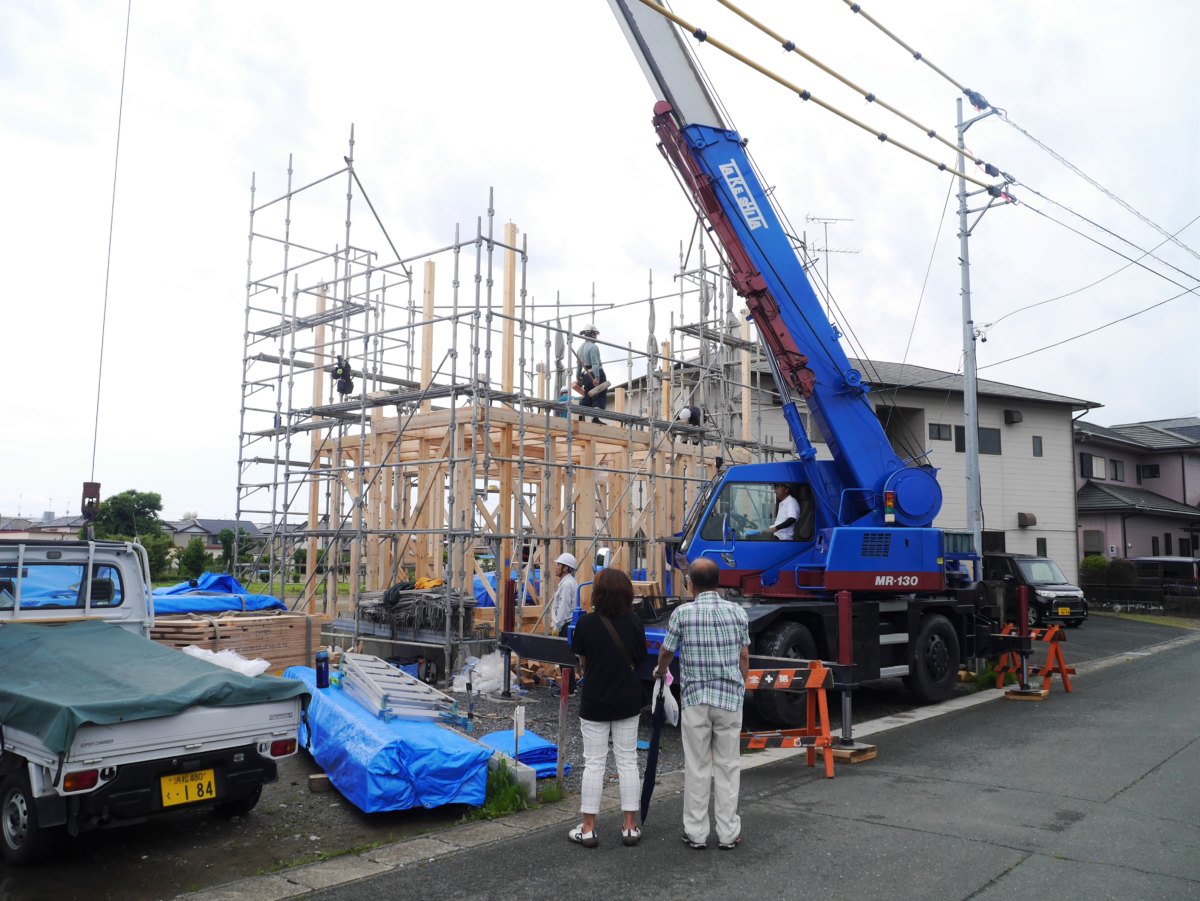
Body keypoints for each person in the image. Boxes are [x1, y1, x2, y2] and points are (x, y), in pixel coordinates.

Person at [654, 558, 749, 851]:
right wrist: (741, 685)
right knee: (728, 766)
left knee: (697, 766)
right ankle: (728, 833)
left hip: (696, 699)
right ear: (718, 583)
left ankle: (696, 833)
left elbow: (667, 651)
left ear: (690, 584)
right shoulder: (737, 612)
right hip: (730, 698)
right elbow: (744, 656)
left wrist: (660, 671)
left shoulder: (683, 614)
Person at [568, 567, 647, 848]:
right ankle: (629, 826)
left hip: (595, 699)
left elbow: (582, 662)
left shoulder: (586, 624)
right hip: (627, 698)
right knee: (627, 761)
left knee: (594, 763)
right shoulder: (635, 622)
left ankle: (588, 828)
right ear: (627, 593)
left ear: (598, 594)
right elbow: (640, 658)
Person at [576, 325, 608, 423]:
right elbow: (595, 363)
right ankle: (595, 418)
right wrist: (597, 377)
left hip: (586, 375)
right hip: (596, 373)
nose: (596, 337)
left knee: (588, 395)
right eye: (595, 334)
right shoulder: (593, 347)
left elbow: (579, 367)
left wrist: (578, 379)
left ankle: (581, 416)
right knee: (600, 394)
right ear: (592, 334)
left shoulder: (579, 349)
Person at [550, 553, 578, 637]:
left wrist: (557, 628)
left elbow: (563, 608)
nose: (556, 567)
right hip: (566, 624)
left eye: (558, 564)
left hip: (564, 626)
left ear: (565, 568)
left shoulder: (566, 584)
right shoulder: (569, 582)